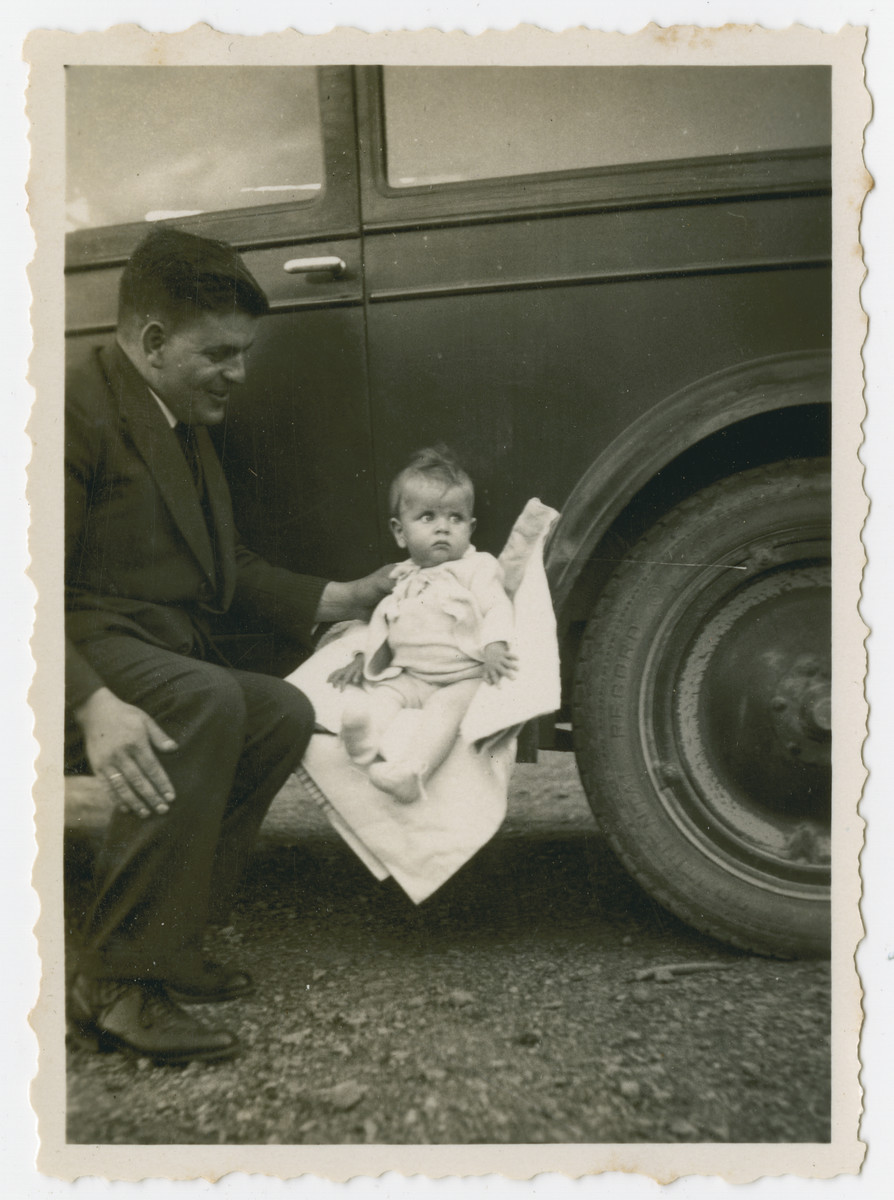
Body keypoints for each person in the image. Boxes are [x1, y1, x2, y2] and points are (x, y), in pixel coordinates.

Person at [65, 228, 395, 1064]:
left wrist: (343, 598)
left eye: (242, 353)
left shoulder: (182, 422)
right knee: (207, 698)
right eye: (220, 353)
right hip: (75, 649)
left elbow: (227, 568)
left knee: (279, 709)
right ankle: (115, 984)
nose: (238, 374)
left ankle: (170, 945)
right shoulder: (71, 411)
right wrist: (91, 703)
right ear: (151, 341)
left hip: (149, 648)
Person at [328, 447, 518, 804]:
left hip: (462, 677)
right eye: (428, 517)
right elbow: (385, 625)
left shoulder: (478, 568)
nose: (443, 527)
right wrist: (363, 657)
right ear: (400, 532)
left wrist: (495, 646)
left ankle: (412, 772)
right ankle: (364, 739)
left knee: (442, 714)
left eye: (456, 518)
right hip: (411, 675)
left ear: (470, 526)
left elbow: (497, 607)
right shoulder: (404, 577)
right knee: (382, 695)